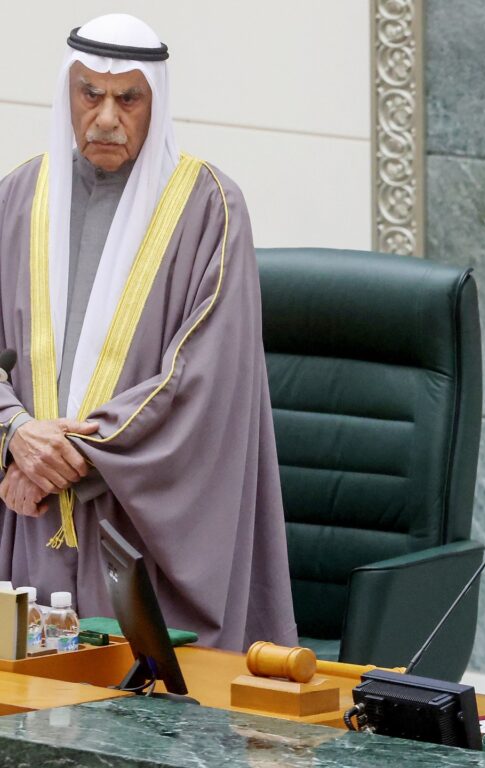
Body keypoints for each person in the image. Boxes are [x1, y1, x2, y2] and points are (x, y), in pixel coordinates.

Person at [0, 14, 297, 650]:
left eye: (128, 98)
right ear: (67, 94)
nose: (106, 117)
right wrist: (16, 432)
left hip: (137, 526)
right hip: (24, 515)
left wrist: (63, 459)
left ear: (154, 102)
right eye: (91, 94)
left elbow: (201, 379)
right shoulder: (19, 195)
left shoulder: (209, 206)